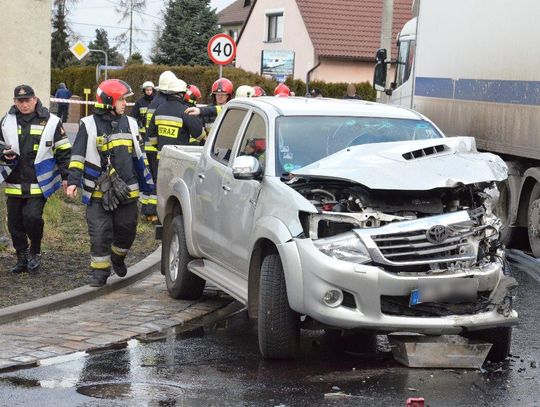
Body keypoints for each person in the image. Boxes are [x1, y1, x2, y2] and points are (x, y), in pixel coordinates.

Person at [66, 79, 154, 287]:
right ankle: (100, 273)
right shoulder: (88, 124)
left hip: (127, 190)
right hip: (98, 189)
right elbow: (77, 155)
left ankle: (117, 258)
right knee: (99, 233)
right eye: (121, 99)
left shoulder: (131, 123)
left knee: (127, 230)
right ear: (108, 101)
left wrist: (149, 190)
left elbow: (139, 159)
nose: (125, 103)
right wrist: (72, 181)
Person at [0, 84, 72, 273]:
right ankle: (21, 257)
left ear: (35, 99)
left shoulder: (51, 121)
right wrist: (3, 152)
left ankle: (35, 251)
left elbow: (64, 151)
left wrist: (67, 177)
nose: (24, 104)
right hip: (14, 182)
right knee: (14, 223)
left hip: (39, 182)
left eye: (27, 100)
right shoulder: (7, 120)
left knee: (31, 217)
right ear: (15, 102)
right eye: (20, 101)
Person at [140, 71, 177, 222]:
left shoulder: (154, 101)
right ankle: (151, 212)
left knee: (153, 178)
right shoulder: (163, 103)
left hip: (149, 147)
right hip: (156, 148)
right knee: (158, 180)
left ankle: (147, 209)